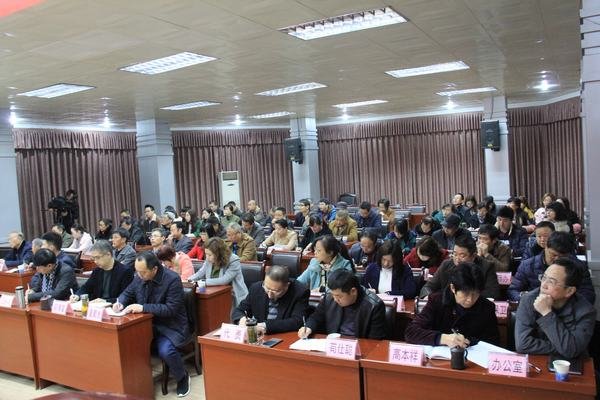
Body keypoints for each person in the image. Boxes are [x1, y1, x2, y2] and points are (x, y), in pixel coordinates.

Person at [113, 252, 191, 397]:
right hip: (144, 325)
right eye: (137, 271)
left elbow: (171, 309)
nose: (139, 275)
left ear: (154, 269)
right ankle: (135, 383)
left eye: (143, 272)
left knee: (166, 351)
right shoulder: (139, 276)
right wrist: (120, 302)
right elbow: (127, 293)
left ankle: (182, 377)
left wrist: (143, 307)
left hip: (170, 326)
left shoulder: (172, 279)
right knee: (124, 344)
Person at [515, 257, 596, 359]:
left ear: (569, 291)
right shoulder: (528, 300)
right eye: (543, 278)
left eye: (551, 281)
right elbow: (522, 345)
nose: (543, 285)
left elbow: (571, 350)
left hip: (569, 365)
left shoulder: (586, 312)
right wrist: (562, 347)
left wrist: (547, 313)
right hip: (535, 361)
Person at [405, 262, 499, 347]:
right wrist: (442, 338)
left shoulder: (487, 307)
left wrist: (469, 341)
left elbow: (493, 343)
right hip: (438, 358)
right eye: (465, 294)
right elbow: (411, 332)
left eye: (475, 294)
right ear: (453, 288)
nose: (470, 299)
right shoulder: (437, 301)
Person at [507, 231, 595, 304]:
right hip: (534, 308)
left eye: (562, 257)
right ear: (545, 247)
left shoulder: (578, 267)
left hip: (567, 311)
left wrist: (563, 303)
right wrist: (528, 299)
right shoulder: (528, 265)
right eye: (553, 255)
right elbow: (513, 291)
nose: (557, 259)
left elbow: (588, 295)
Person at [298, 269, 386, 339]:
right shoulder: (329, 297)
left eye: (339, 296)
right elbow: (316, 317)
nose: (335, 299)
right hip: (333, 345)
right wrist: (308, 327)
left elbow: (374, 341)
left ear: (353, 291)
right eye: (333, 295)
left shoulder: (374, 305)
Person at [232, 265, 310, 334]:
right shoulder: (256, 288)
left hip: (285, 336)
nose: (270, 295)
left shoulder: (300, 292)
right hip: (260, 337)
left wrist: (264, 326)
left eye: (275, 291)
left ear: (287, 286)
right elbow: (239, 310)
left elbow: (297, 321)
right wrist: (242, 319)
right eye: (267, 288)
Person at [420, 235, 499, 299]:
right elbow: (428, 287)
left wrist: (464, 297)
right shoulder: (446, 264)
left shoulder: (486, 266)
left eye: (462, 255)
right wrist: (428, 296)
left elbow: (492, 293)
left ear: (473, 256)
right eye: (455, 254)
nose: (457, 259)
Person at [188, 237, 248, 307]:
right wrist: (188, 280)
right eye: (206, 254)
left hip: (233, 296)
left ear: (219, 254)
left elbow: (224, 280)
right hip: (213, 293)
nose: (207, 257)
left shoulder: (233, 260)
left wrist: (203, 282)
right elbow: (200, 272)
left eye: (210, 255)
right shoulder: (209, 259)